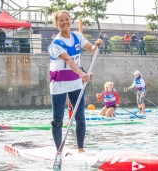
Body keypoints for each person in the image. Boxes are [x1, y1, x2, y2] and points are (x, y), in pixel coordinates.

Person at [48, 10, 104, 154]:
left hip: (75, 82)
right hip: (59, 82)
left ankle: (80, 149)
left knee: (80, 116)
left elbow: (91, 49)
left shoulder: (78, 36)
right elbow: (68, 59)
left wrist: (97, 44)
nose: (65, 22)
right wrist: (81, 73)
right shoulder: (56, 43)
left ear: (70, 21)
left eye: (67, 19)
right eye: (61, 20)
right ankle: (58, 151)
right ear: (56, 24)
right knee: (58, 119)